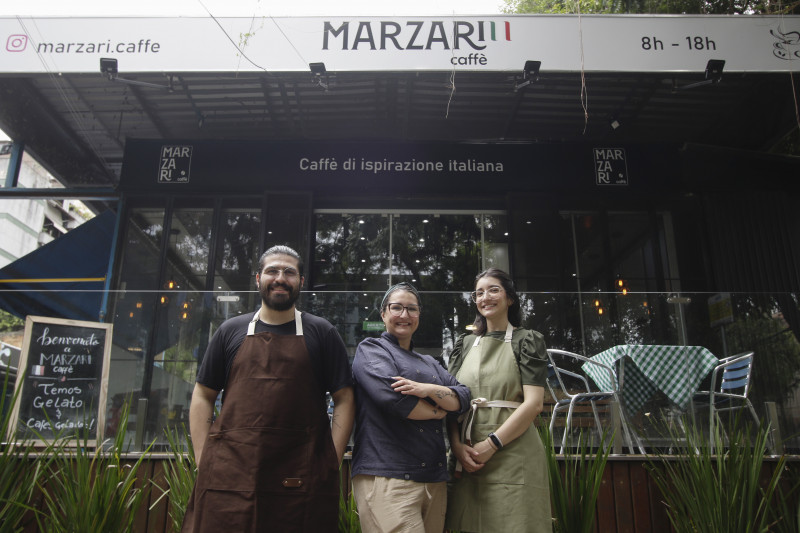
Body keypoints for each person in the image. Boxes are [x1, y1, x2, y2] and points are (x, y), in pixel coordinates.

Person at [182, 245, 355, 533]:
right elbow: (203, 394)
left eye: (289, 272)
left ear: (301, 282)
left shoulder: (322, 332)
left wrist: (330, 461)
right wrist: (204, 458)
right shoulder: (230, 331)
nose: (280, 277)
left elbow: (345, 398)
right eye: (272, 270)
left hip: (301, 473)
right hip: (230, 474)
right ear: (258, 278)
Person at [351, 282, 471, 533]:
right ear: (383, 314)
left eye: (412, 309)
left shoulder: (429, 362)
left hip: (434, 479)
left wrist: (426, 390)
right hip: (388, 477)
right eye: (397, 308)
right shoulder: (371, 349)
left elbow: (463, 396)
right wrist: (441, 409)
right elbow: (397, 401)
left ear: (419, 316)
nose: (404, 315)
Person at [446, 268, 551, 533]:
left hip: (513, 453)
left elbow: (534, 404)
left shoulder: (526, 340)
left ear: (510, 298)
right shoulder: (465, 343)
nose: (485, 297)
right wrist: (457, 447)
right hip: (468, 456)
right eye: (479, 293)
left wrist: (492, 444)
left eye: (493, 290)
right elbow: (451, 401)